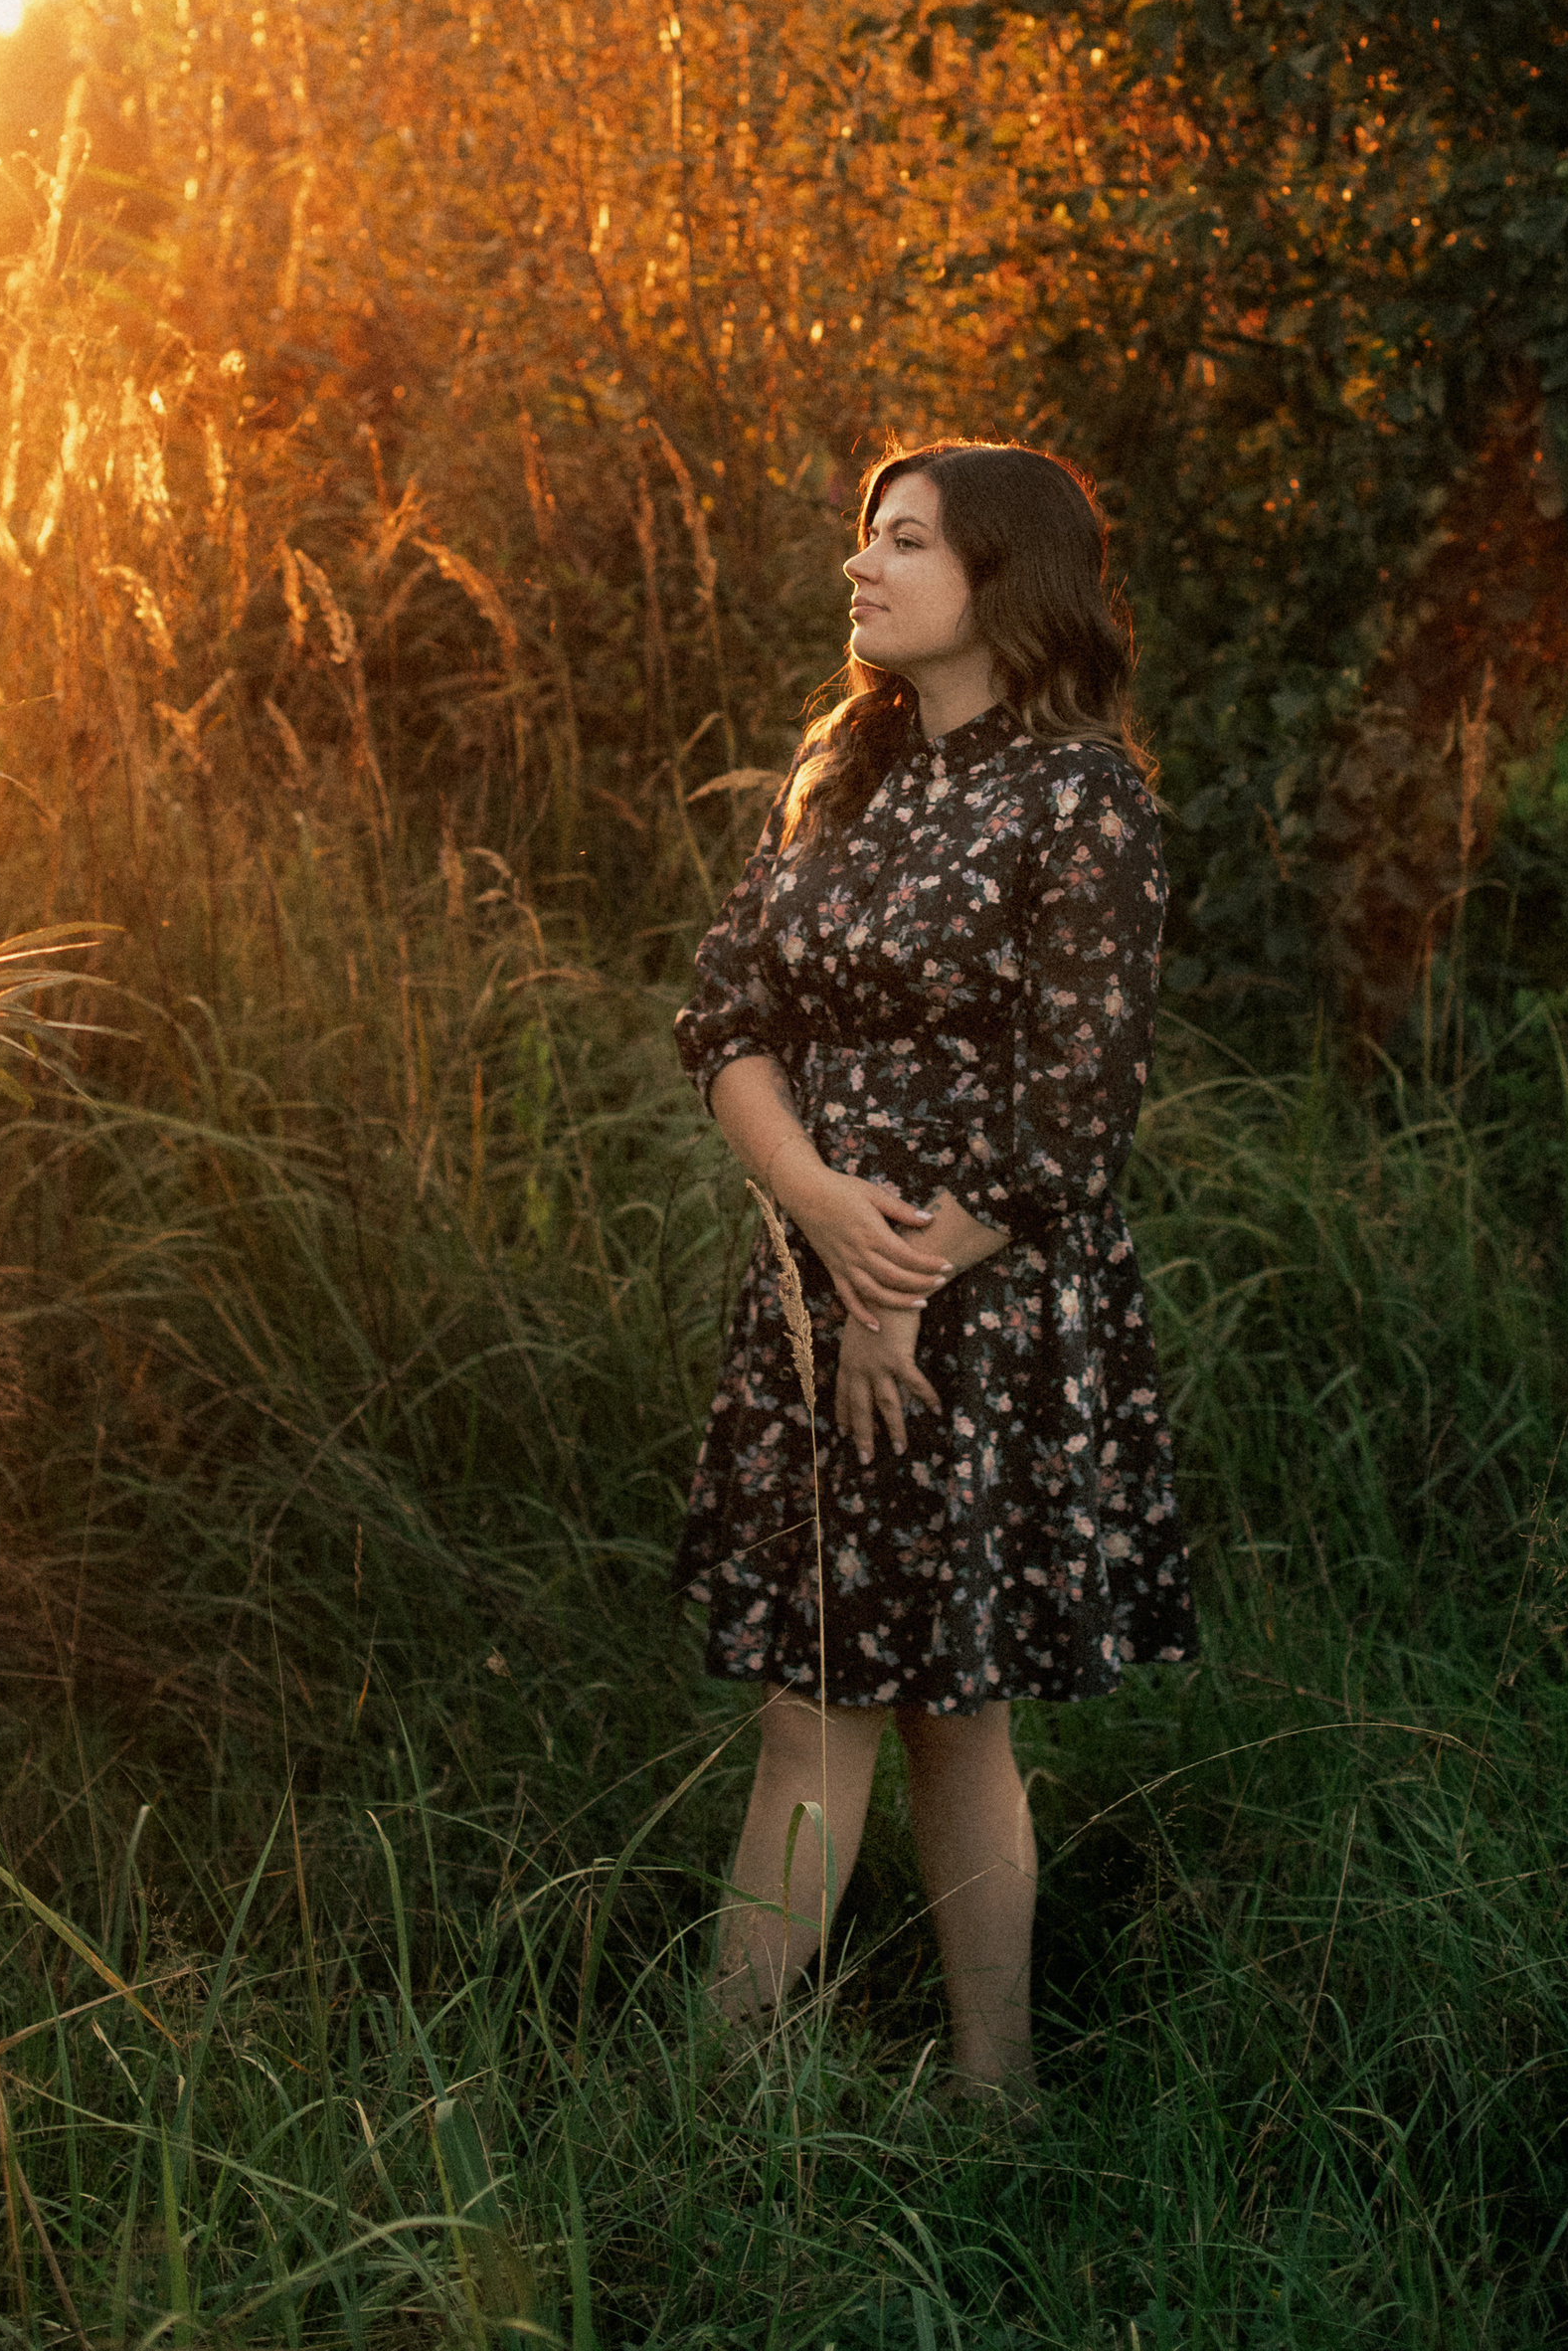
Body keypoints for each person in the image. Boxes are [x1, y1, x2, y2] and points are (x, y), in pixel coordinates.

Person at [674, 438, 1191, 2100]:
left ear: (1003, 579)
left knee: (936, 1711)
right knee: (837, 1707)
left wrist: (893, 1292)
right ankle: (789, 2096)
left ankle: (962, 2093)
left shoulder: (1083, 799)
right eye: (863, 541)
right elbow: (727, 1018)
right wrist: (823, 1211)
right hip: (821, 1275)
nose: (862, 568)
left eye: (903, 542)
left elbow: (1076, 1106)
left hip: (986, 1302)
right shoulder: (849, 776)